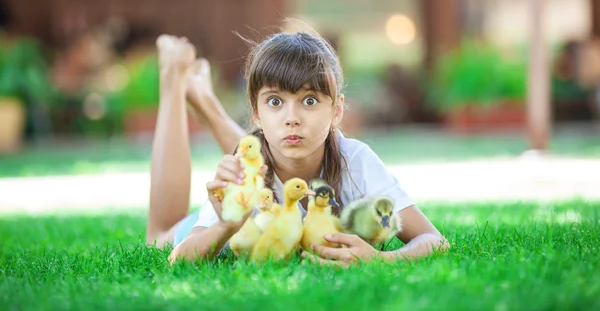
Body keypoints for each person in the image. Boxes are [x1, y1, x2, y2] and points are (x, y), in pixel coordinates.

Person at [148, 32, 449, 267]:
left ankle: (205, 101)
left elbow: (433, 239)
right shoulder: (243, 170)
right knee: (157, 238)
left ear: (337, 111)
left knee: (270, 143)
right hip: (245, 176)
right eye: (275, 102)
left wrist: (383, 260)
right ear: (255, 113)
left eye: (309, 100)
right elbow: (178, 259)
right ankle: (174, 78)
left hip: (265, 150)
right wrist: (225, 226)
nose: (292, 118)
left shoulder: (356, 160)